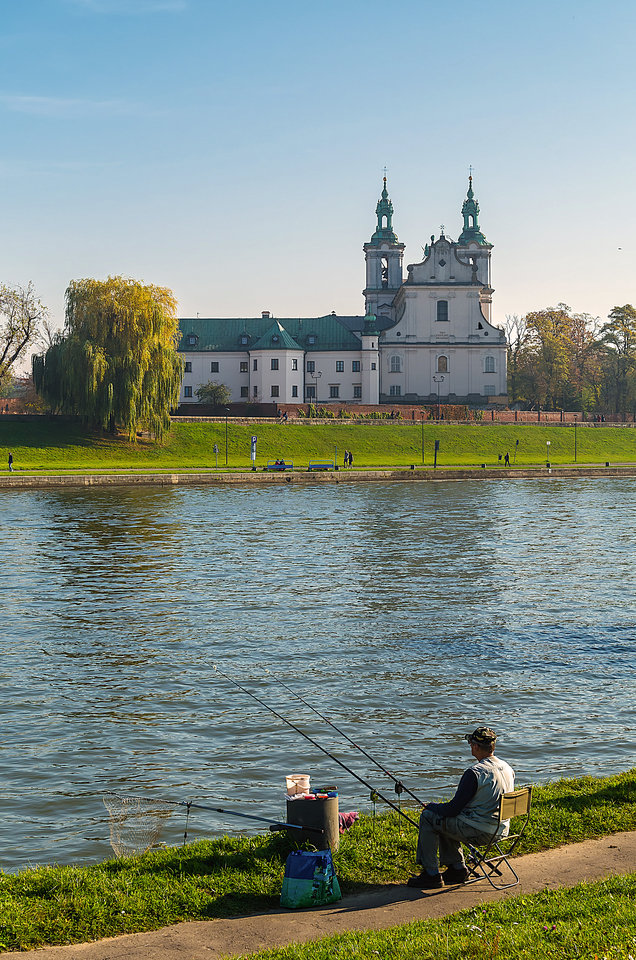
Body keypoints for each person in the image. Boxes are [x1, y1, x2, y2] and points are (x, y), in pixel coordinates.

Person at [407, 726, 515, 890]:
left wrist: (432, 807)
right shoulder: (507, 767)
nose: (470, 746)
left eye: (471, 743)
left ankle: (431, 874)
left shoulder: (475, 773)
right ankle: (457, 869)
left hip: (480, 832)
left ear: (475, 746)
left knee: (429, 817)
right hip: (501, 829)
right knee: (445, 819)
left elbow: (453, 810)